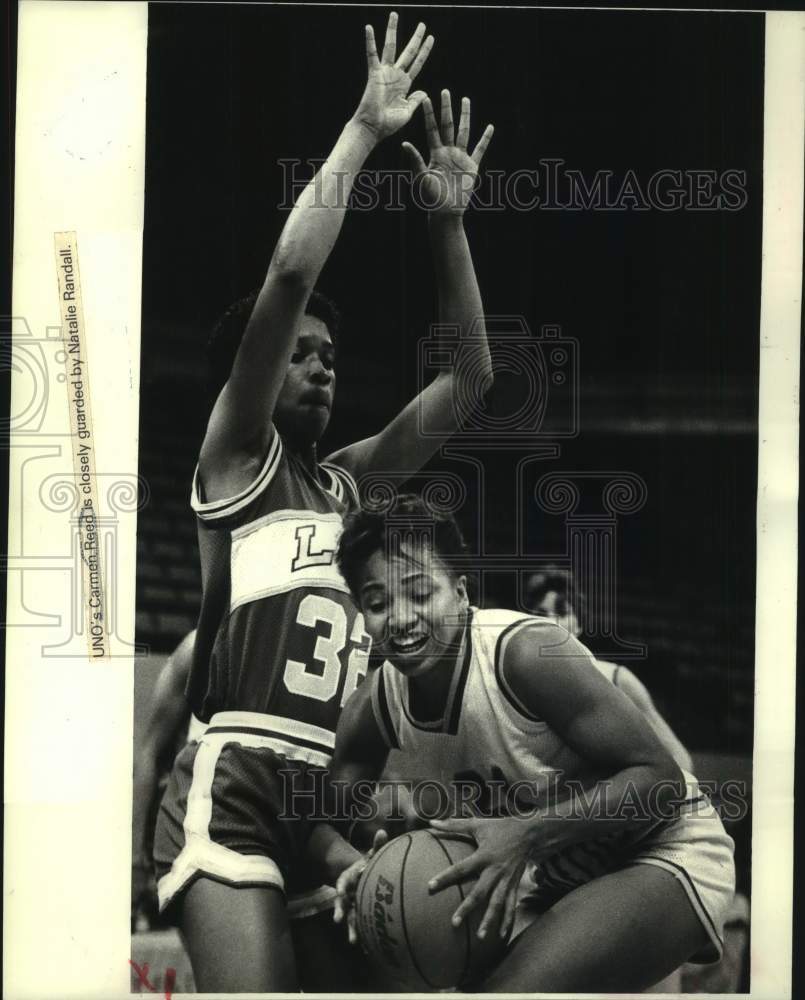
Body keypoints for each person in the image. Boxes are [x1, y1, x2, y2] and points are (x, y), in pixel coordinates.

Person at [152, 12, 496, 992]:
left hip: (333, 797)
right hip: (246, 781)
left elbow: (467, 381)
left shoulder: (348, 485)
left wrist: (447, 223)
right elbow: (294, 270)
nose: (322, 367)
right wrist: (364, 131)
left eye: (332, 356)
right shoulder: (236, 458)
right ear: (251, 376)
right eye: (300, 353)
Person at [307, 496, 736, 993]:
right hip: (549, 878)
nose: (400, 618)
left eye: (420, 594)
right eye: (378, 603)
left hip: (660, 847)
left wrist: (527, 832)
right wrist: (351, 864)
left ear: (461, 594)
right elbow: (316, 825)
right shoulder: (371, 709)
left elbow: (660, 781)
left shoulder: (525, 655)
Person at [525, 566, 693, 771]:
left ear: (579, 626)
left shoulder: (617, 679)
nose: (551, 620)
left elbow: (678, 758)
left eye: (562, 612)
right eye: (541, 613)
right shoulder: (517, 682)